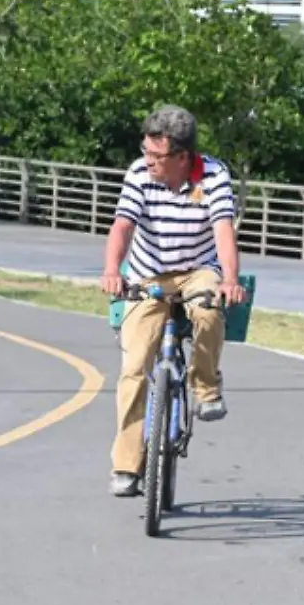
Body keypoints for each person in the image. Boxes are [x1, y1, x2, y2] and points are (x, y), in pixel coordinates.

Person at [100, 105, 248, 498]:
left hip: (198, 268)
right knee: (133, 367)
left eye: (157, 157)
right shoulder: (138, 173)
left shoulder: (214, 175)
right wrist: (113, 270)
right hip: (149, 272)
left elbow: (223, 231)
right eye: (146, 152)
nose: (148, 162)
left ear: (183, 157)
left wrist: (229, 280)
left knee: (208, 308)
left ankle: (205, 387)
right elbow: (123, 226)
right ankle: (127, 465)